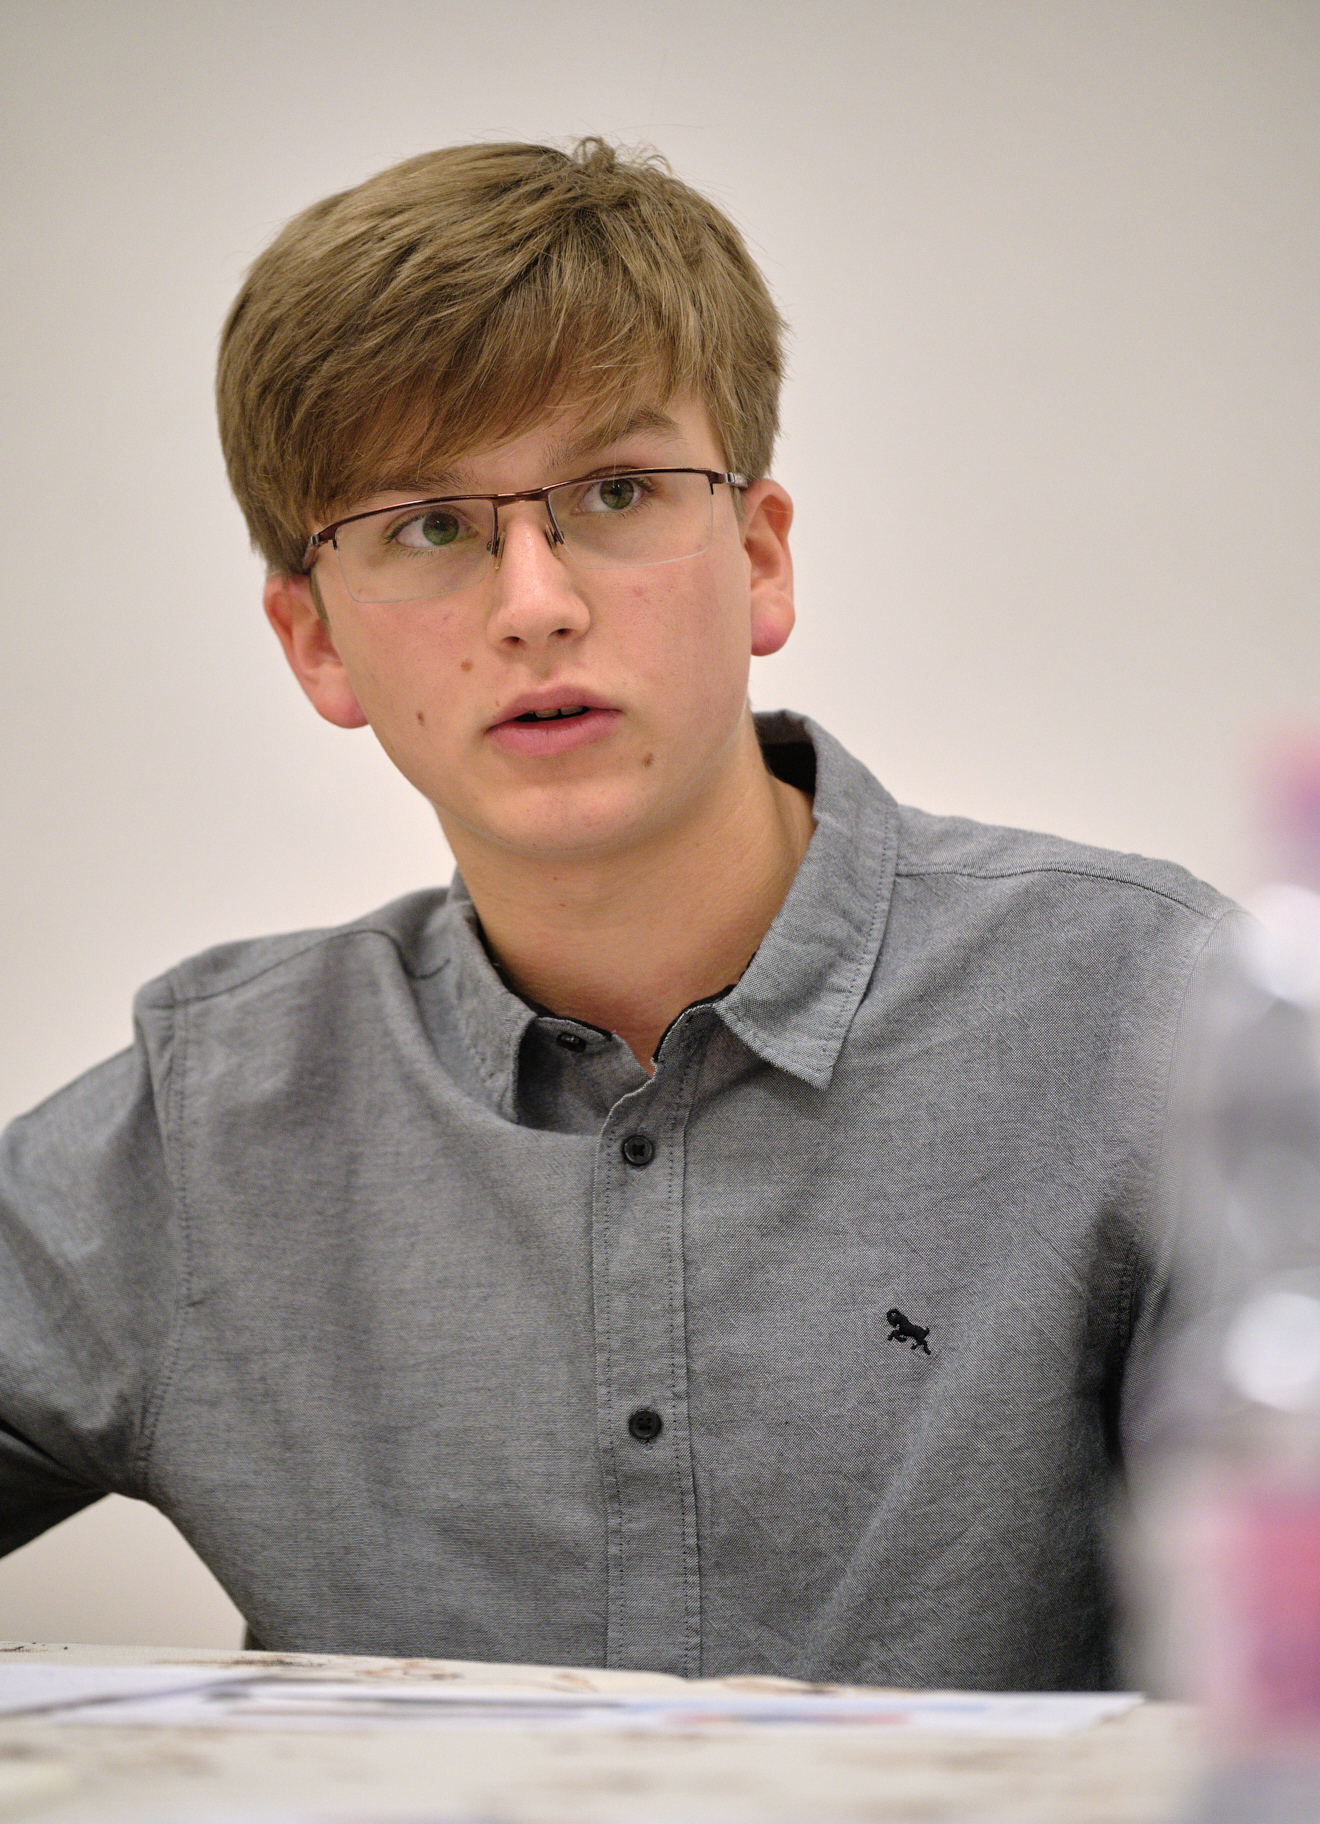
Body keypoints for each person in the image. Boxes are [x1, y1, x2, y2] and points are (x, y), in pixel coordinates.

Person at [0, 139, 1232, 1685]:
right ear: (314, 640)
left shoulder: (1151, 1013)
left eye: (617, 492)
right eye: (430, 526)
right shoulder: (214, 1118)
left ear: (760, 557)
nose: (536, 603)